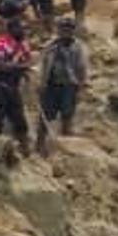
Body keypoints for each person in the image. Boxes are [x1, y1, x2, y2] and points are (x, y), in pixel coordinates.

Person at [36, 16, 89, 151]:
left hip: (69, 85)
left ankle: (66, 147)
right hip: (51, 85)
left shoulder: (78, 47)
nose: (65, 32)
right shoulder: (51, 45)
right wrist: (41, 83)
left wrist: (81, 87)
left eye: (68, 29)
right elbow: (43, 63)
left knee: (67, 114)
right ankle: (39, 145)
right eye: (62, 29)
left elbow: (82, 68)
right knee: (45, 116)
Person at [0, 19, 33, 150]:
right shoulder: (0, 42)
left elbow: (28, 62)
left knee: (20, 121)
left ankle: (24, 151)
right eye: (21, 28)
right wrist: (21, 67)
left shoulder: (24, 44)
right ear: (11, 30)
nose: (24, 31)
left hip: (13, 86)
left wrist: (24, 69)